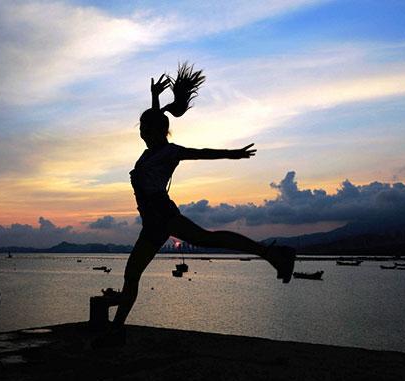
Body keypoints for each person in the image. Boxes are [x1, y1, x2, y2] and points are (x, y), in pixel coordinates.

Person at [92, 63, 295, 348]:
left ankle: (272, 253)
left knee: (206, 239)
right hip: (151, 224)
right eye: (140, 127)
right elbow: (157, 121)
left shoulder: (169, 151)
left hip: (162, 214)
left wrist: (232, 154)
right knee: (131, 275)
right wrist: (155, 100)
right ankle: (115, 332)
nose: (140, 131)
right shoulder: (150, 151)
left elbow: (200, 153)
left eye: (143, 127)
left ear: (156, 130)